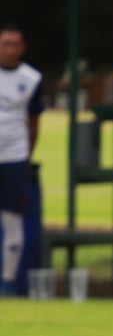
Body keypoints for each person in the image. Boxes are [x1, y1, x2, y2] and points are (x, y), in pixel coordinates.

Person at [0, 23, 43, 296]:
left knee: (12, 220)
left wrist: (26, 154)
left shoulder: (32, 78)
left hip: (14, 156)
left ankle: (8, 282)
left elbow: (34, 122)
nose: (10, 49)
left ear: (23, 47)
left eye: (15, 44)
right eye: (5, 43)